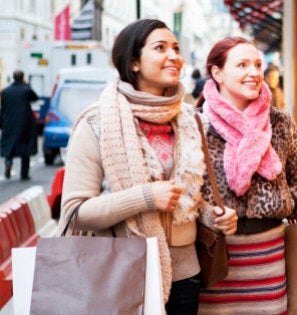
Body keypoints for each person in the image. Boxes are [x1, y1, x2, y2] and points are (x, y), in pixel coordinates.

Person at [56, 19, 238, 314]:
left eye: (176, 48)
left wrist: (212, 216)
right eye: (160, 48)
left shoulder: (190, 121)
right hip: (119, 271)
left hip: (185, 275)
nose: (174, 56)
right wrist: (145, 197)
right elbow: (75, 212)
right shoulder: (97, 123)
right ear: (134, 62)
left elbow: (190, 198)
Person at [195, 36, 297, 314]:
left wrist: (283, 199)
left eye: (258, 65)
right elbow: (184, 192)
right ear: (218, 73)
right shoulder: (196, 124)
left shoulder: (280, 121)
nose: (254, 73)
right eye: (242, 65)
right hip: (214, 259)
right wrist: (208, 213)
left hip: (269, 258)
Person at [0, 69, 39, 180]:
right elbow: (35, 97)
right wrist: (27, 85)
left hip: (9, 122)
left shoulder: (6, 91)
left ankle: (8, 161)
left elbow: (3, 108)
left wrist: (1, 122)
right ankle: (24, 174)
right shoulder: (26, 90)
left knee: (9, 145)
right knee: (25, 147)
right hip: (24, 123)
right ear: (22, 77)